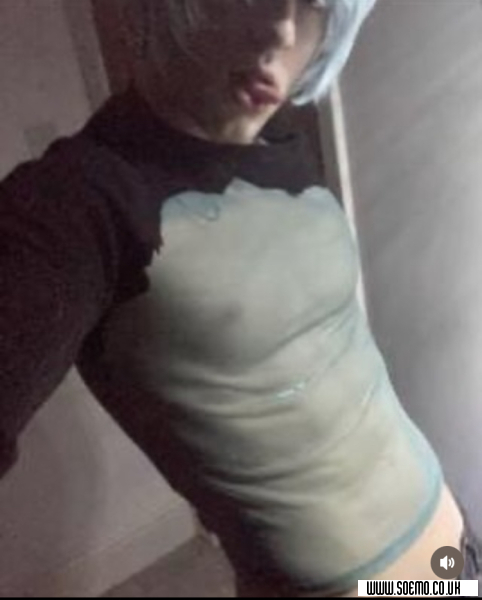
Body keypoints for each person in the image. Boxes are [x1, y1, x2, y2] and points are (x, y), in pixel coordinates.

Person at [0, 0, 479, 597]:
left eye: (314, 6)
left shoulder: (278, 145)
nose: (281, 30)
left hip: (449, 550)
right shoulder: (73, 207)